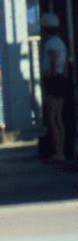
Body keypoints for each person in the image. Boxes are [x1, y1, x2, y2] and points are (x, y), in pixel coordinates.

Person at [41, 13, 69, 162]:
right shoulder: (61, 43)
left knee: (52, 118)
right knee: (58, 117)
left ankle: (58, 151)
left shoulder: (51, 43)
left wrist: (50, 78)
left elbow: (52, 61)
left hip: (54, 81)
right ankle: (61, 150)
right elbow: (64, 65)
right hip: (61, 79)